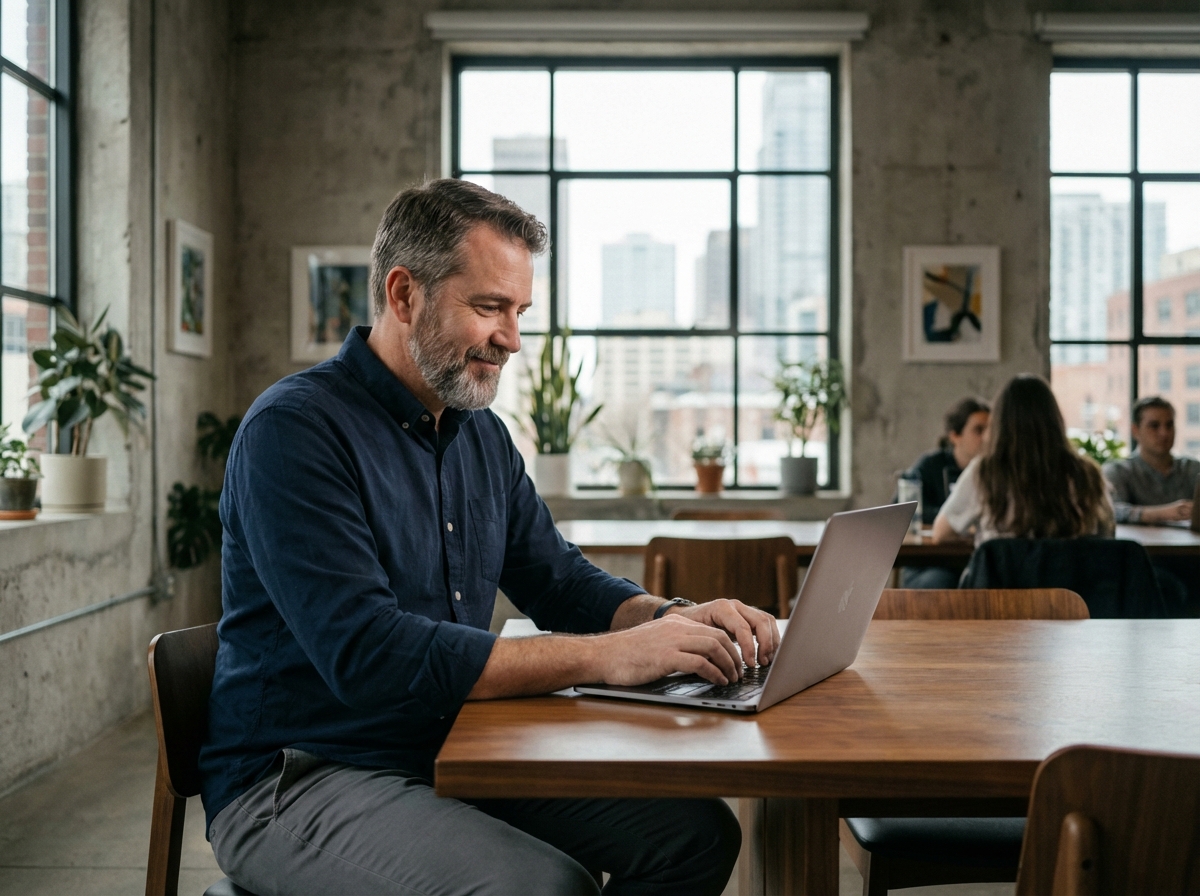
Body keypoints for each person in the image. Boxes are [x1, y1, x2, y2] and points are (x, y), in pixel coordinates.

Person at [198, 180, 775, 895]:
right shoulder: (294, 432)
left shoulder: (482, 437)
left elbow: (558, 580)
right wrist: (609, 659)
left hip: (451, 746)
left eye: (520, 311)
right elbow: (368, 654)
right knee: (544, 888)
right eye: (489, 307)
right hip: (299, 776)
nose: (512, 339)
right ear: (405, 296)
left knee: (693, 837)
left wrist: (668, 619)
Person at [932, 375, 1114, 546]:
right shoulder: (1086, 474)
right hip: (1069, 578)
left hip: (1004, 578)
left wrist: (984, 537)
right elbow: (1107, 534)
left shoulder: (985, 472)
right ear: (1055, 420)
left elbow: (941, 533)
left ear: (999, 423)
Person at [896, 396, 989, 588]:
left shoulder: (996, 472)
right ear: (955, 436)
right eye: (979, 430)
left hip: (975, 562)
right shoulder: (931, 465)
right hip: (929, 563)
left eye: (990, 430)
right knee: (943, 582)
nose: (986, 437)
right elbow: (900, 508)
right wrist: (956, 521)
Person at [1102, 396, 1198, 525]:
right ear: (1135, 431)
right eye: (1154, 426)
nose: (1164, 433)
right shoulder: (1118, 471)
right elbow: (1110, 511)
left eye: (1169, 425)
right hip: (1142, 545)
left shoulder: (1193, 469)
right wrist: (1164, 513)